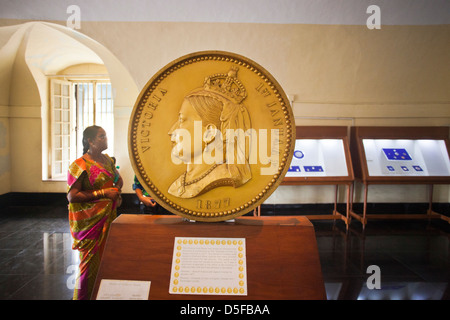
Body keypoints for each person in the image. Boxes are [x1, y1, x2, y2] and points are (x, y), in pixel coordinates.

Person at [167, 66, 252, 198]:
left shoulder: (223, 176)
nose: (171, 131)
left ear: (209, 133)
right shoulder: (178, 185)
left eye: (182, 120)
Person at [67, 125, 123, 300]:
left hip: (108, 218)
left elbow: (119, 179)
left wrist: (116, 191)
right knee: (88, 264)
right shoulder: (80, 165)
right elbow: (72, 196)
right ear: (89, 141)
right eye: (101, 136)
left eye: (105, 135)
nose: (105, 139)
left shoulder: (108, 160)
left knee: (107, 259)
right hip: (90, 222)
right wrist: (104, 194)